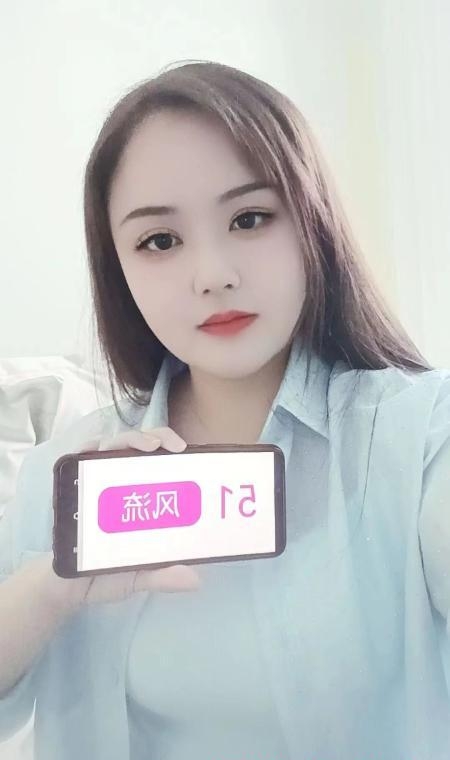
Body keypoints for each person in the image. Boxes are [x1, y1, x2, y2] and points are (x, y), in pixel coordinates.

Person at [0, 59, 449, 760]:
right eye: (160, 241)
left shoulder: (414, 435)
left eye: (250, 218)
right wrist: (48, 589)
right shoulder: (66, 474)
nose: (213, 275)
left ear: (312, 223)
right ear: (118, 267)